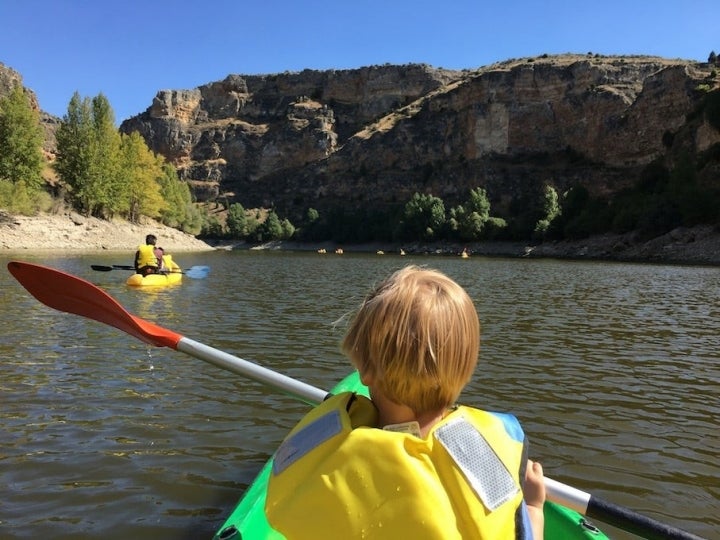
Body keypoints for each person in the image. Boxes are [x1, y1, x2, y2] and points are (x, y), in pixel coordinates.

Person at [265, 265, 546, 539]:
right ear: (464, 369)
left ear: (365, 370)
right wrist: (534, 507)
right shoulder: (486, 466)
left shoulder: (330, 464)